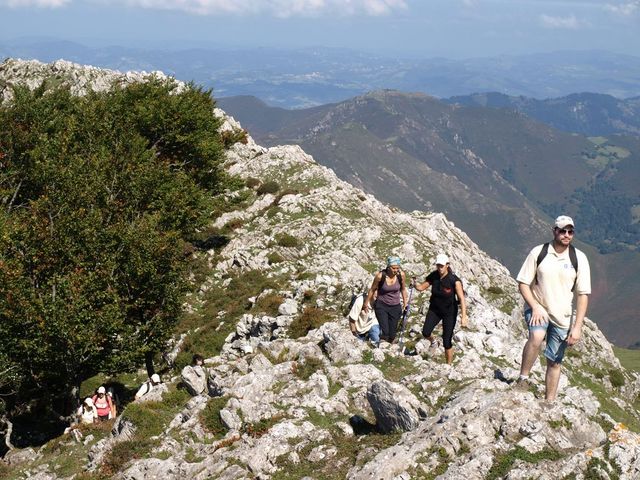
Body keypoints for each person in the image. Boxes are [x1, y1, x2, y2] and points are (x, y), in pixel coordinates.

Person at [514, 215, 591, 402]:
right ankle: (523, 378)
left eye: (570, 231)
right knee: (537, 336)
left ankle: (549, 401)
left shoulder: (579, 258)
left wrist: (578, 326)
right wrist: (535, 306)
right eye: (562, 231)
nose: (566, 235)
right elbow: (523, 283)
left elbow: (583, 295)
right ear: (554, 231)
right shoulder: (539, 253)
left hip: (562, 317)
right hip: (538, 307)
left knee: (554, 362)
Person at [414, 253, 468, 364]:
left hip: (450, 312)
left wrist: (464, 317)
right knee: (425, 332)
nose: (439, 268)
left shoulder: (454, 280)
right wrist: (415, 285)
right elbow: (421, 287)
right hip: (435, 310)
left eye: (442, 265)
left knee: (446, 340)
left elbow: (461, 299)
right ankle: (434, 342)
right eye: (438, 265)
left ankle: (448, 365)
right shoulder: (434, 276)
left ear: (447, 265)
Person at [362, 256, 408, 344]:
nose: (396, 270)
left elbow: (403, 289)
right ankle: (381, 343)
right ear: (388, 267)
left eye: (397, 268)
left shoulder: (400, 275)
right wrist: (366, 303)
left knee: (392, 334)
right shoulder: (380, 276)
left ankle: (388, 345)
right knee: (385, 330)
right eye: (393, 268)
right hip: (381, 305)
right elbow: (372, 289)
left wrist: (405, 303)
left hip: (395, 306)